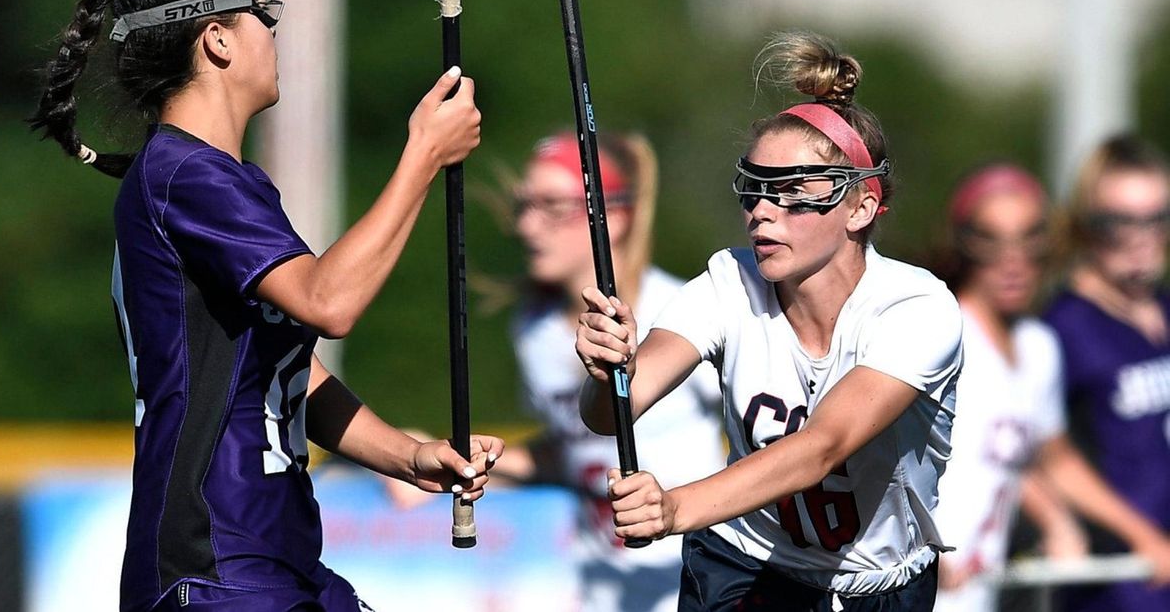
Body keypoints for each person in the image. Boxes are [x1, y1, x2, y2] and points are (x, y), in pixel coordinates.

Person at [29, 0, 502, 612]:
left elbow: (289, 368)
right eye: (262, 10)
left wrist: (408, 454)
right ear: (217, 38)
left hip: (275, 563)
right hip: (216, 569)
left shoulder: (222, 180)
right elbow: (328, 301)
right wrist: (422, 154)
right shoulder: (185, 174)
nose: (273, 32)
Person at [575, 31, 960, 611]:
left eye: (791, 193)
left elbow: (820, 449)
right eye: (753, 190)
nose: (762, 211)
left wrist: (674, 508)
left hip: (880, 586)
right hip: (744, 565)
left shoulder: (918, 310)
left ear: (862, 207)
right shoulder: (728, 282)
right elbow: (610, 415)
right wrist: (609, 372)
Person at [493, 132, 725, 612]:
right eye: (525, 205)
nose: (529, 227)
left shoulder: (684, 309)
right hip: (600, 590)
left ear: (614, 218)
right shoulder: (532, 328)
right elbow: (571, 454)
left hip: (693, 584)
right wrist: (462, 463)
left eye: (553, 205)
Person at [928, 164, 1170, 612]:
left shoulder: (1037, 347)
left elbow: (1050, 458)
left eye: (1030, 238)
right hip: (912, 588)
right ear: (963, 245)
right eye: (990, 240)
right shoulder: (938, 334)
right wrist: (921, 544)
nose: (1013, 260)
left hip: (976, 591)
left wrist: (1137, 536)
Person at [1044, 134, 1170, 612]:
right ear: (1086, 224)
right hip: (1118, 581)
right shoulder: (1063, 327)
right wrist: (1143, 537)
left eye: (1156, 219)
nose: (1140, 237)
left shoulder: (1162, 309)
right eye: (1119, 222)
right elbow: (1041, 457)